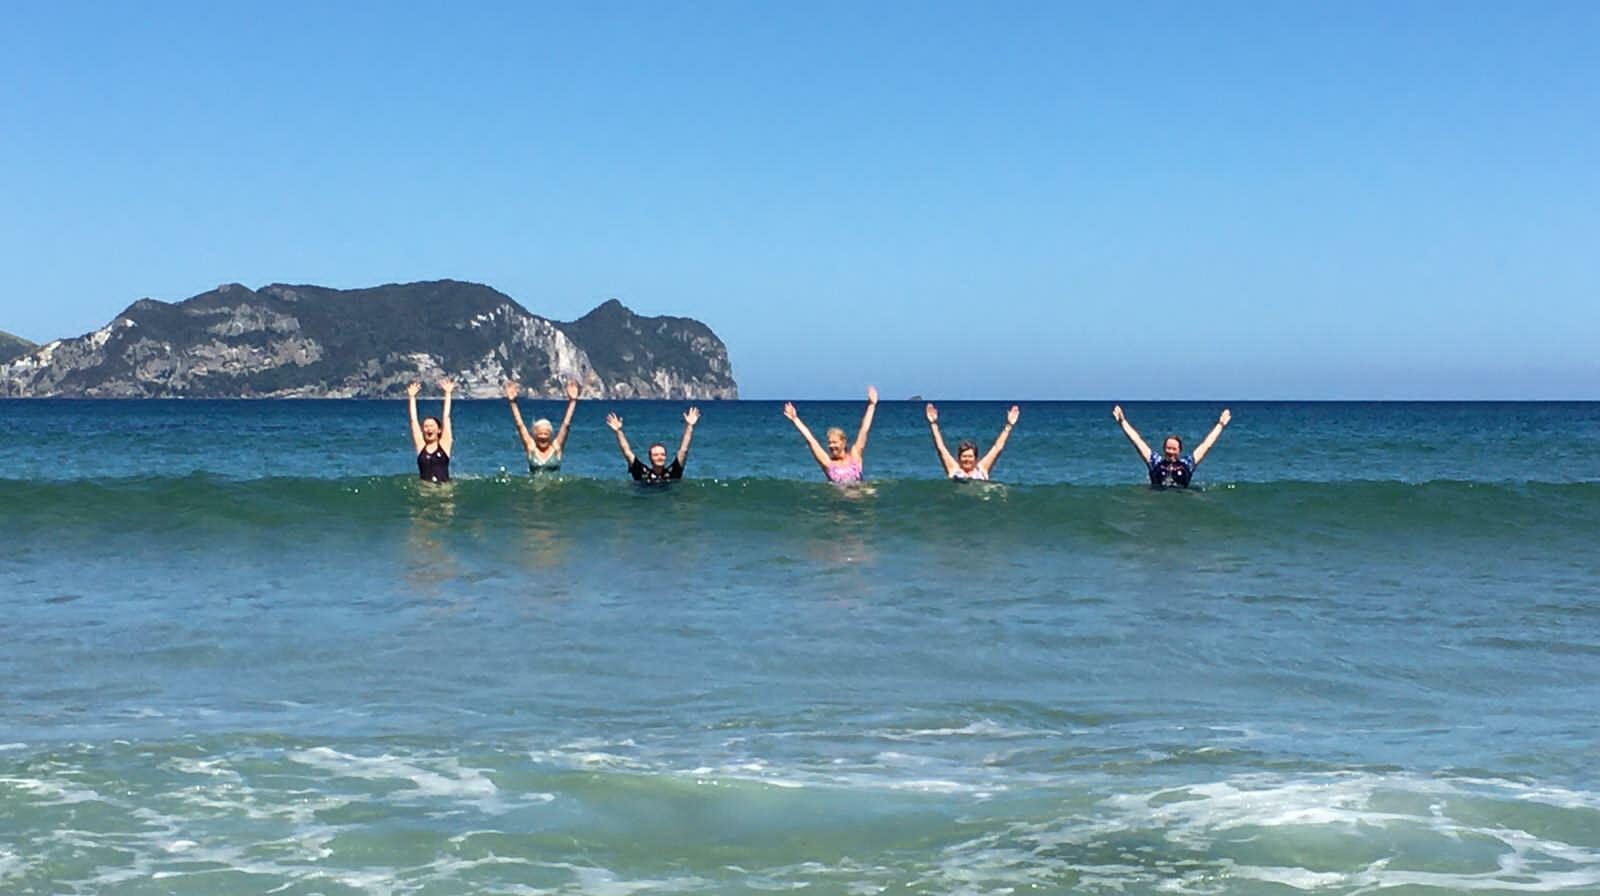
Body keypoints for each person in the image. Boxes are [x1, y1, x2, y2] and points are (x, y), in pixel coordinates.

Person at [1111, 405, 1231, 488]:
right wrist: (1122, 421)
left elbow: (1206, 445)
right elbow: (1137, 441)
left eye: (1174, 449)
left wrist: (1220, 425)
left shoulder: (1187, 464)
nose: (1170, 452)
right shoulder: (1155, 462)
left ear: (1179, 450)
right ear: (1164, 449)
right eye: (1168, 448)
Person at [783, 387, 877, 484]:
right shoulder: (828, 463)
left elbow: (864, 430)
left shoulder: (855, 456)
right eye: (829, 443)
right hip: (840, 498)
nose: (831, 446)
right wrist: (795, 419)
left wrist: (872, 405)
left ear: (843, 442)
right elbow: (811, 441)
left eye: (834, 442)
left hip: (860, 496)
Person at [926, 403, 1019, 481]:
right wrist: (933, 424)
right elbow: (940, 448)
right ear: (958, 458)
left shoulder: (982, 469)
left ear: (975, 458)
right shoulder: (953, 469)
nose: (967, 459)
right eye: (964, 456)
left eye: (970, 456)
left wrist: (1009, 425)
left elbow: (997, 448)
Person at [504, 379, 579, 475]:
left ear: (550, 436)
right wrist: (512, 402)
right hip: (534, 490)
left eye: (546, 434)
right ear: (535, 436)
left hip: (555, 489)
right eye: (540, 434)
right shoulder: (531, 448)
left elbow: (566, 425)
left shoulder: (556, 448)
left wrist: (573, 401)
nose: (543, 437)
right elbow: (520, 426)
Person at [606, 407, 699, 483]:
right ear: (650, 458)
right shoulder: (641, 472)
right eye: (656, 455)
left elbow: (684, 450)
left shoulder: (673, 472)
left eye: (662, 454)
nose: (660, 457)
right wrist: (618, 431)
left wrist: (689, 426)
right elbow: (627, 451)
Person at [407, 379, 455, 483]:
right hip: (425, 491)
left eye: (432, 426)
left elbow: (446, 417)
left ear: (439, 430)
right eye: (426, 426)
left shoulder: (444, 445)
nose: (429, 429)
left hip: (443, 489)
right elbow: (413, 420)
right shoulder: (421, 447)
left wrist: (448, 393)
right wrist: (412, 397)